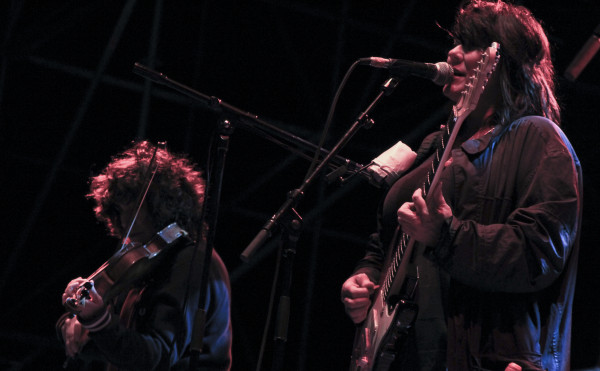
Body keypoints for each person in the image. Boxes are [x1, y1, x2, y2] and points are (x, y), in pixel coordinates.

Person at [341, 1, 582, 370]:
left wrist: (446, 235)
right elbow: (386, 238)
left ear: (499, 61)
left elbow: (539, 253)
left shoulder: (537, 138)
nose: (451, 53)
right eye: (455, 42)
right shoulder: (433, 147)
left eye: (469, 44)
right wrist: (366, 277)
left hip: (479, 356)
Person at [56, 141, 232, 370]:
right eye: (120, 211)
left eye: (137, 210)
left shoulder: (191, 261)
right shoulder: (142, 260)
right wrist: (74, 324)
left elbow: (155, 357)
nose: (127, 222)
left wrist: (98, 322)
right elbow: (117, 342)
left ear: (164, 206)